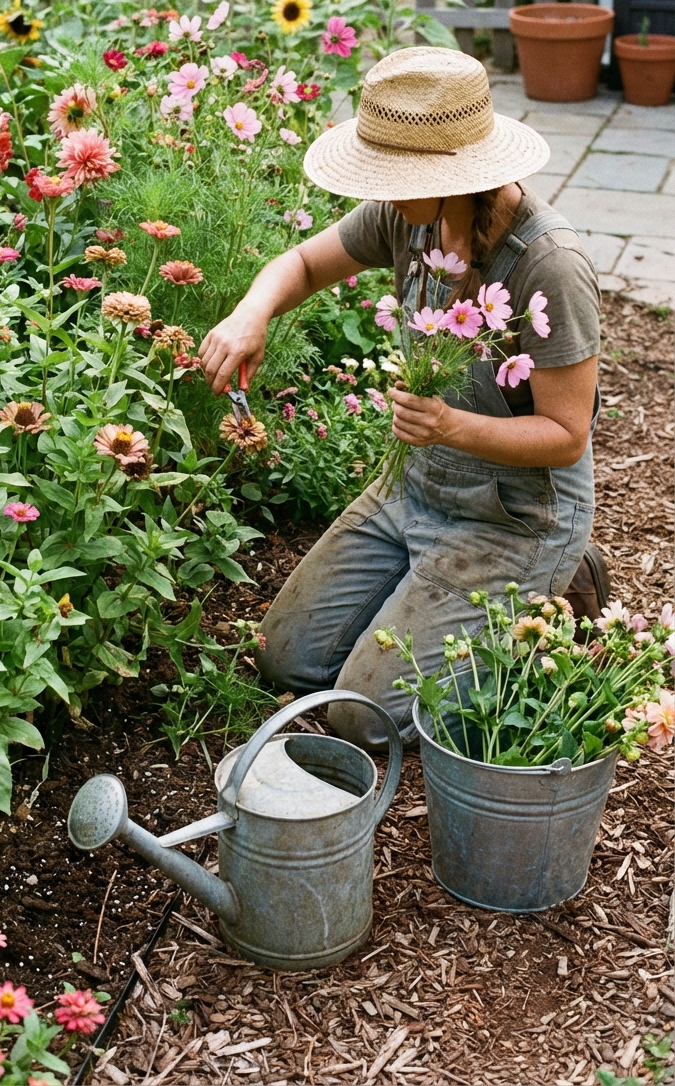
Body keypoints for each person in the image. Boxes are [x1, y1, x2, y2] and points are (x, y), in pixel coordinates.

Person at [199, 48, 601, 749]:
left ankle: (555, 592)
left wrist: (448, 425)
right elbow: (302, 263)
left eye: (392, 177)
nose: (381, 193)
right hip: (414, 489)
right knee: (282, 657)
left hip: (514, 517)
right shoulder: (407, 219)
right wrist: (249, 314)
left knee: (364, 717)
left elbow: (566, 435)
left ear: (453, 177)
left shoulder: (548, 267)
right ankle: (431, 596)